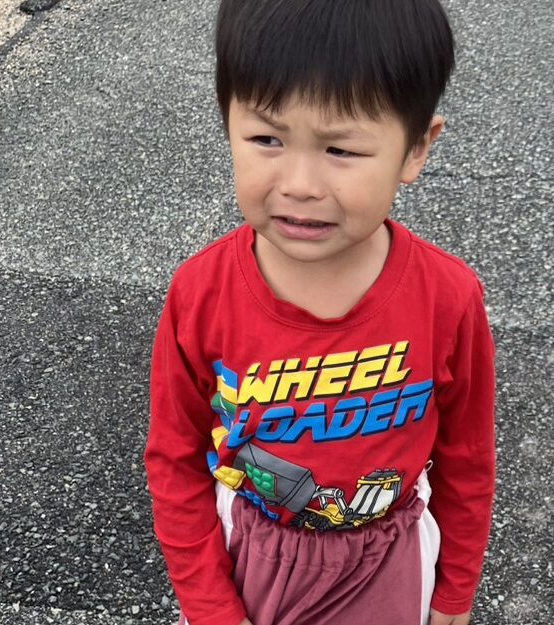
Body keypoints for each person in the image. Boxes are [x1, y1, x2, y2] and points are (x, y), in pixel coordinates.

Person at [144, 1, 496, 624]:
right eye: (267, 139)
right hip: (249, 555)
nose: (300, 183)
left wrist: (454, 592)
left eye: (341, 148)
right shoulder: (201, 293)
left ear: (416, 148)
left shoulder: (448, 297)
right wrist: (210, 607)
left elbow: (467, 457)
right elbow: (175, 459)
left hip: (390, 563)